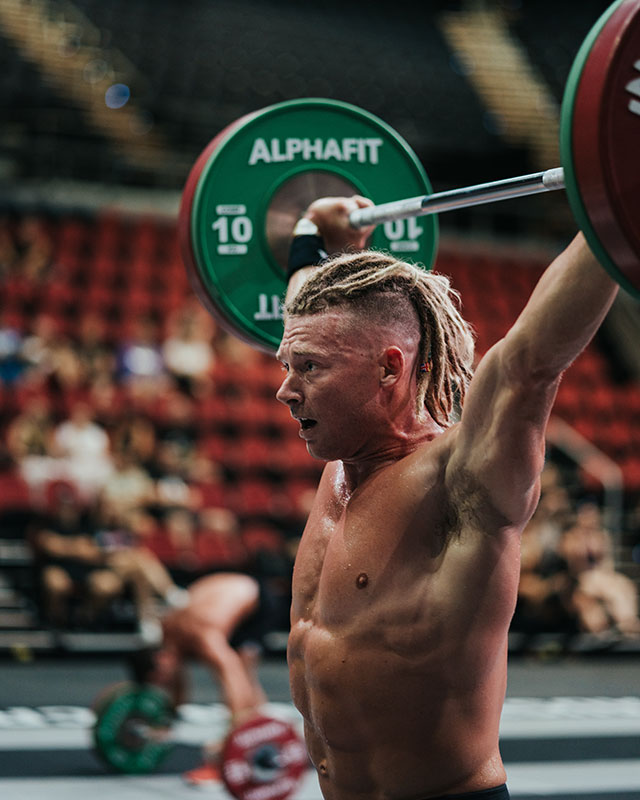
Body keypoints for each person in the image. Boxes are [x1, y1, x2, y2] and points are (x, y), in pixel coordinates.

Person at [275, 195, 620, 800]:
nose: (284, 389)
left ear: (389, 369)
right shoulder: (342, 461)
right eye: (287, 363)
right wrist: (313, 239)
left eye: (307, 367)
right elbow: (313, 310)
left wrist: (620, 201)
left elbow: (530, 365)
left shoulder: (462, 478)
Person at [128, 571, 272, 786]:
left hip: (255, 600)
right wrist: (167, 722)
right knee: (242, 671)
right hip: (226, 588)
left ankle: (253, 737)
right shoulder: (168, 634)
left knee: (241, 668)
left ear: (160, 660)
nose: (165, 685)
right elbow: (177, 680)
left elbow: (230, 671)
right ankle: (262, 731)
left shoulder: (199, 634)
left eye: (161, 680)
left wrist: (232, 734)